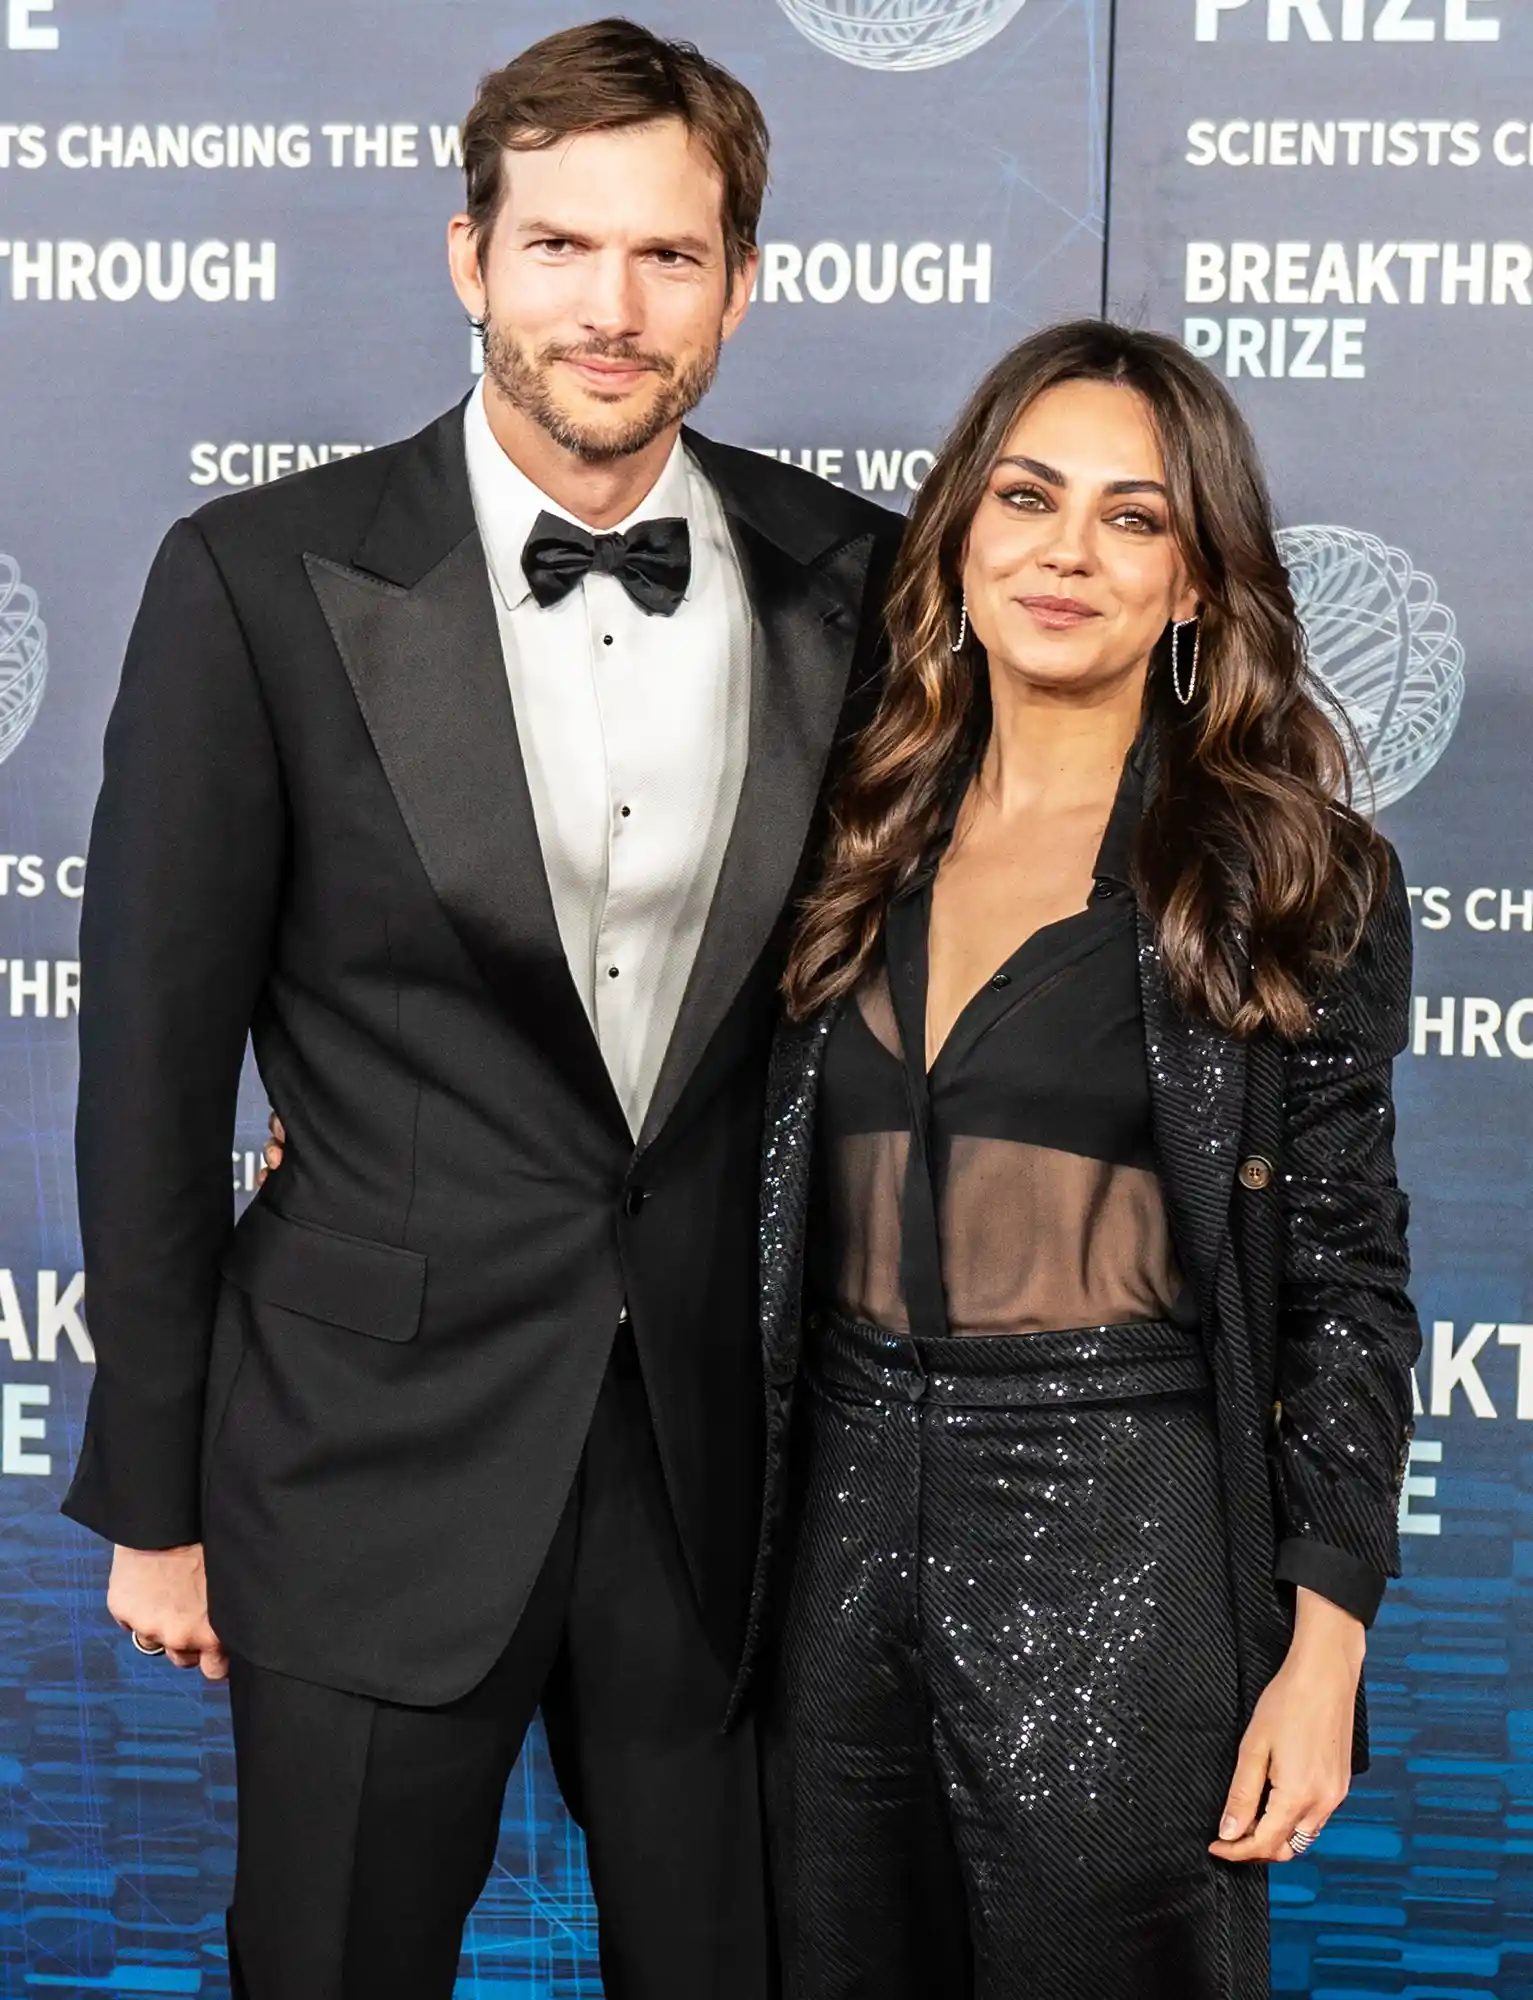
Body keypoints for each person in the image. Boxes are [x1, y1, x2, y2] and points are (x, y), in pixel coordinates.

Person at [62, 19, 902, 1998]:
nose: (610, 311)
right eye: (560, 248)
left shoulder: (852, 581)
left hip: (732, 1477)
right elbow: (151, 1077)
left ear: (738, 284)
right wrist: (155, 1495)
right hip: (361, 1455)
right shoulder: (260, 580)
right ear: (469, 257)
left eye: (668, 258)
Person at [742, 321, 1421, 1998]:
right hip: (825, 1517)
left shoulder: (1286, 871)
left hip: (1116, 1521)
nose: (1067, 552)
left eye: (1134, 518)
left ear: (1196, 585)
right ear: (959, 531)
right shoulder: (831, 825)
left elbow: (1347, 1277)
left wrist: (1325, 1639)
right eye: (1028, 497)